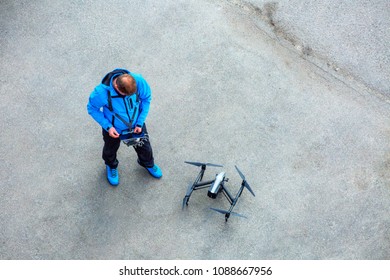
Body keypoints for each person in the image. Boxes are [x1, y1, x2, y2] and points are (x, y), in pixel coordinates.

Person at [87, 68, 162, 186]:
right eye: (125, 95)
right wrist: (108, 127)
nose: (129, 96)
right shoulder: (100, 93)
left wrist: (140, 122)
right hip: (114, 128)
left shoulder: (138, 81)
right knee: (110, 149)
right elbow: (92, 108)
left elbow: (146, 98)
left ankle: (147, 163)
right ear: (116, 87)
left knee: (145, 147)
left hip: (136, 124)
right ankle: (111, 165)